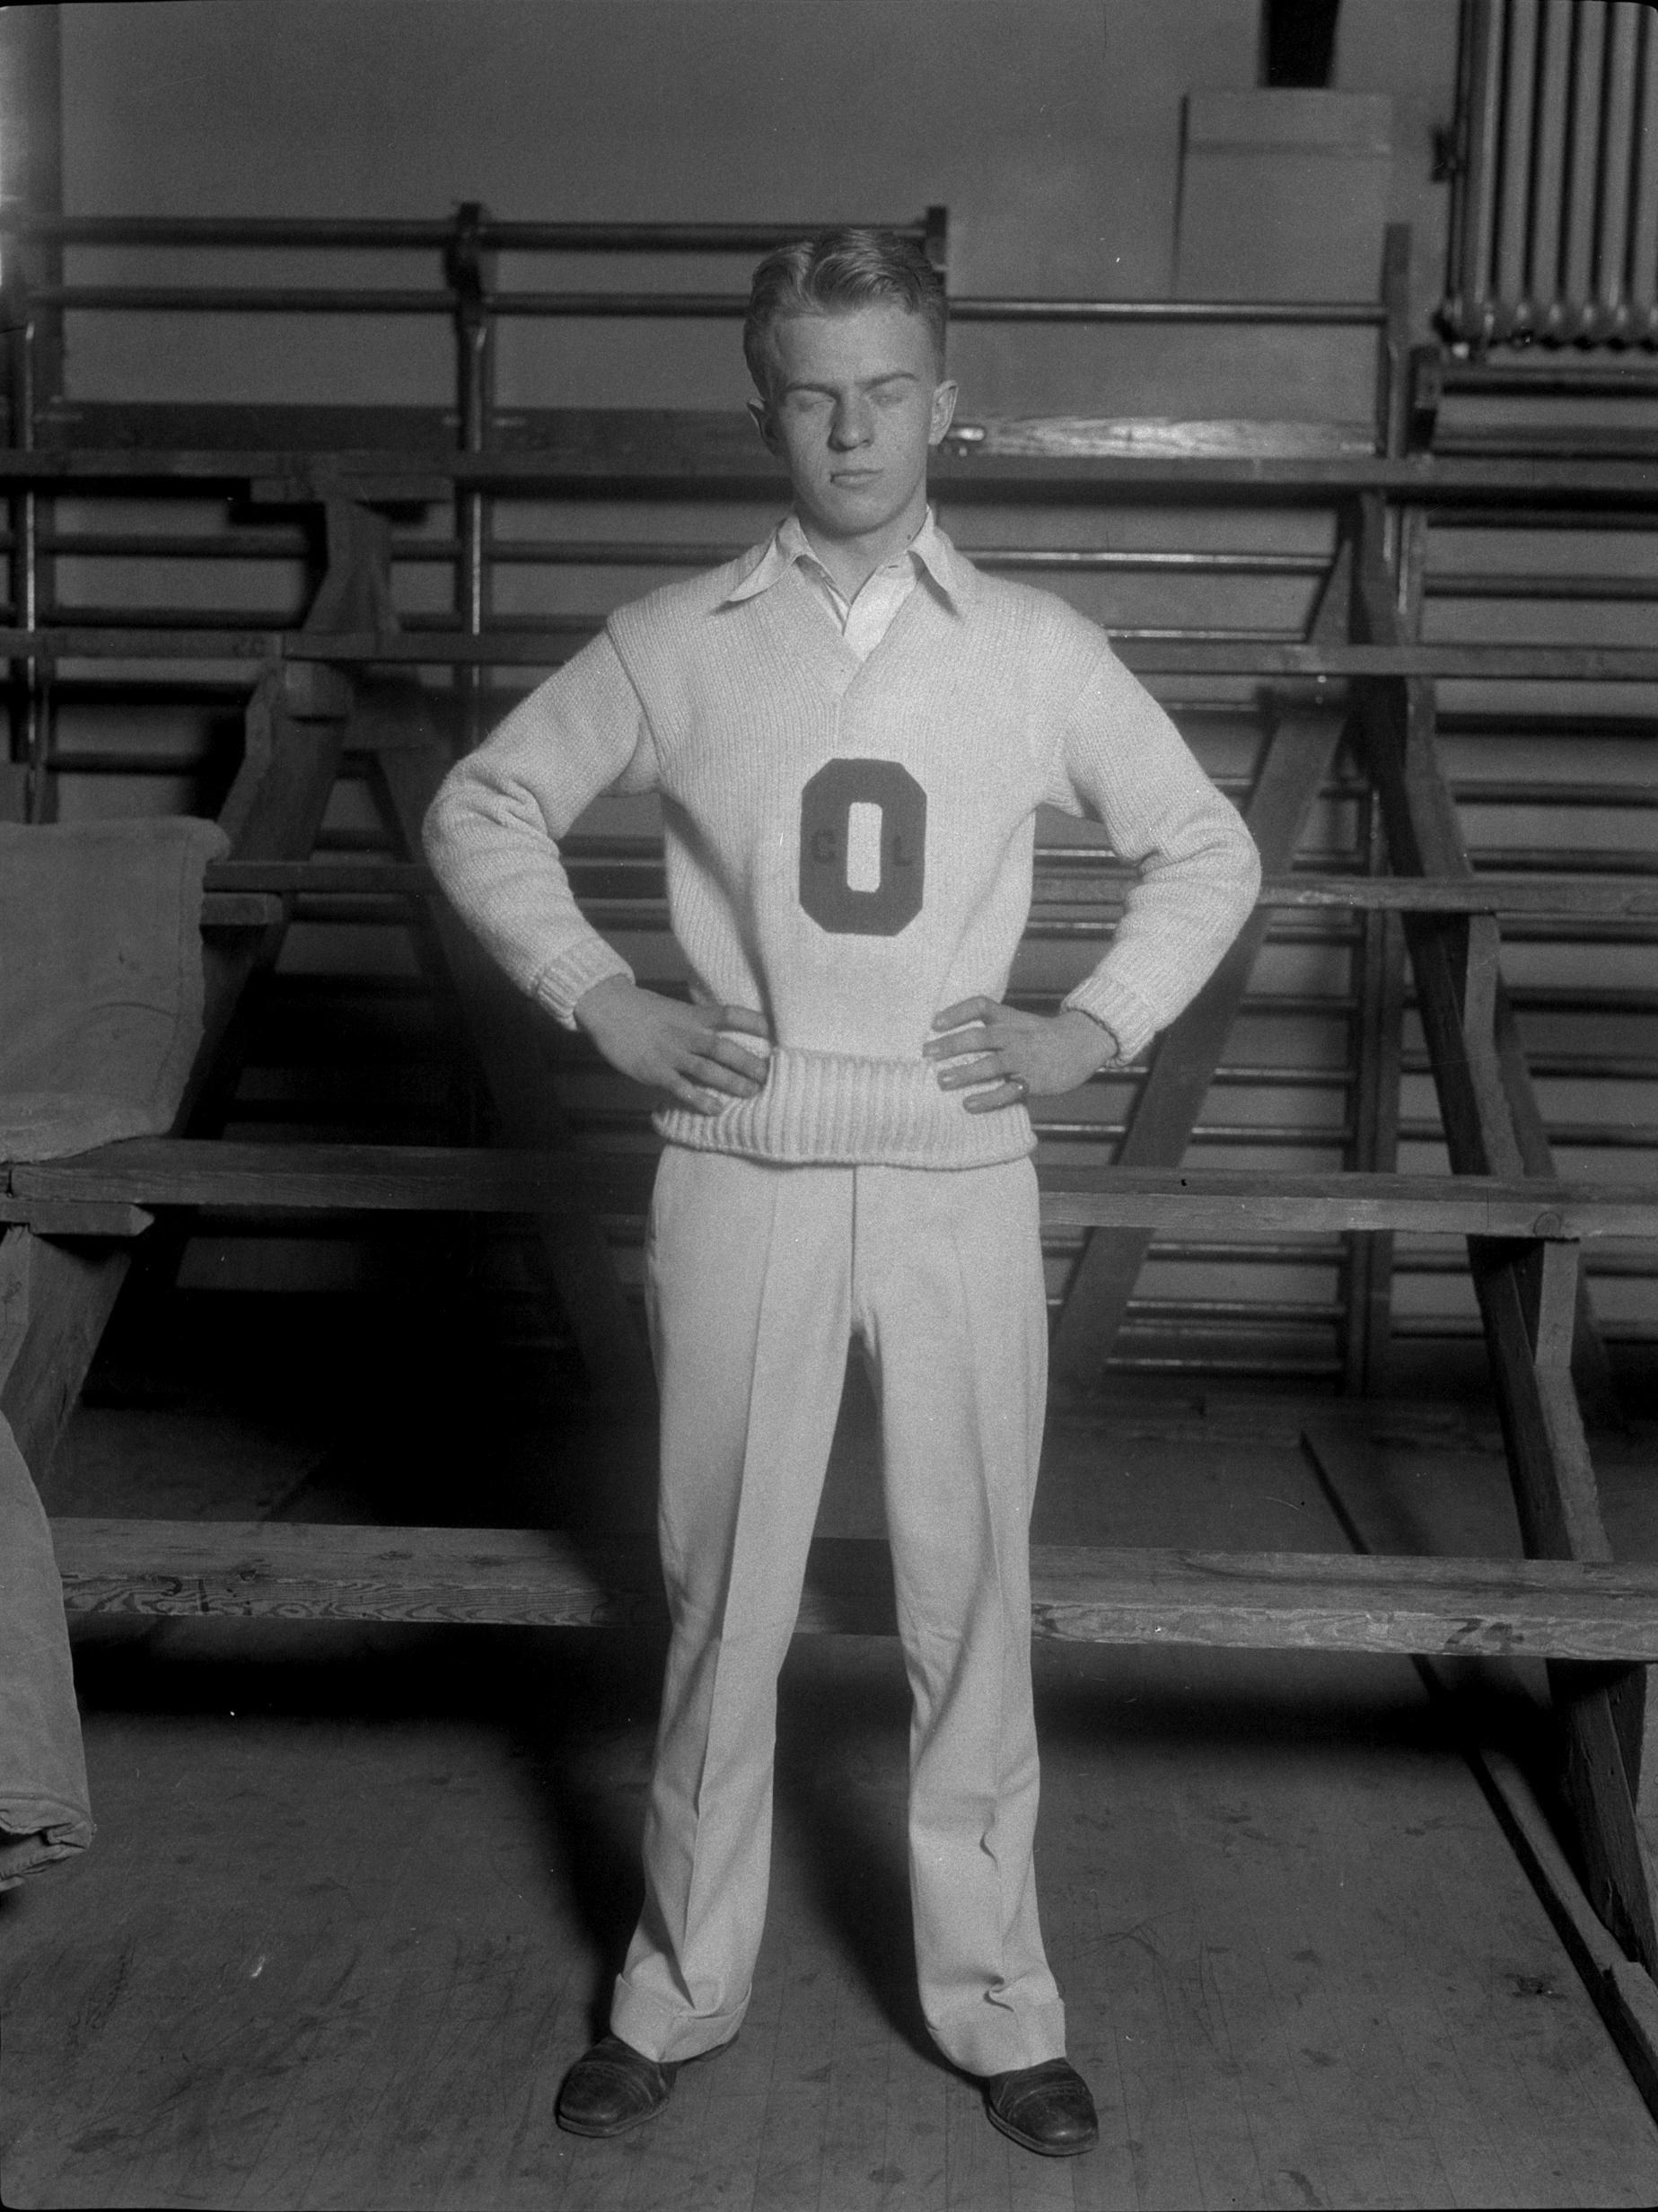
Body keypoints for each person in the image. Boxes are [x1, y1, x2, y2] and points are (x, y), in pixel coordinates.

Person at [424, 228, 1259, 2159]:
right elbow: (485, 801)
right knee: (725, 1597)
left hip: (958, 1170)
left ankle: (998, 2001)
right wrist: (603, 994)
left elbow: (1206, 850)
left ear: (945, 398)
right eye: (815, 389)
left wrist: (1094, 1027)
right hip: (744, 1168)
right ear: (765, 405)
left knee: (974, 1597)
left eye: (888, 386)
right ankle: (676, 1986)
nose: (854, 423)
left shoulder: (1039, 645)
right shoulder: (675, 636)